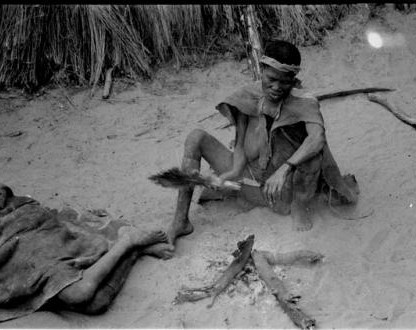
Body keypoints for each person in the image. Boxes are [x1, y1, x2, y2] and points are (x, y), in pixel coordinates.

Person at [148, 40, 359, 260]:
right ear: (261, 69)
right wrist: (233, 171)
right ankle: (180, 221)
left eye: (285, 82)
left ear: (294, 80)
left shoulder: (304, 103)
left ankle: (299, 208)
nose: (277, 87)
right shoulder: (247, 96)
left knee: (313, 153)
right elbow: (240, 142)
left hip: (281, 194)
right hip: (250, 184)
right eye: (271, 79)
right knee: (196, 137)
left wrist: (284, 170)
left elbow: (317, 139)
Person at [0, 184, 168, 322]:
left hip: (13, 229)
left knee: (78, 293)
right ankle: (131, 250)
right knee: (97, 303)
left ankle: (126, 242)